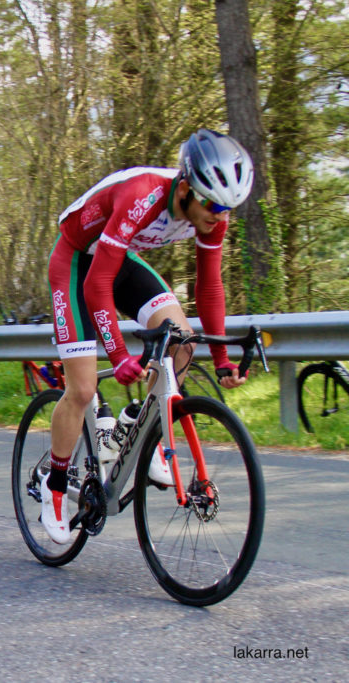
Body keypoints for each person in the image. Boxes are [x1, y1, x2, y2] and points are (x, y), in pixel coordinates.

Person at [40, 128, 254, 544]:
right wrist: (118, 354)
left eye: (229, 209)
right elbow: (95, 283)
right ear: (187, 188)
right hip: (76, 263)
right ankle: (54, 483)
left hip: (117, 259)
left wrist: (224, 359)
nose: (219, 216)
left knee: (184, 341)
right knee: (82, 390)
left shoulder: (213, 217)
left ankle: (135, 427)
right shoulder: (142, 196)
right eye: (212, 204)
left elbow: (210, 286)